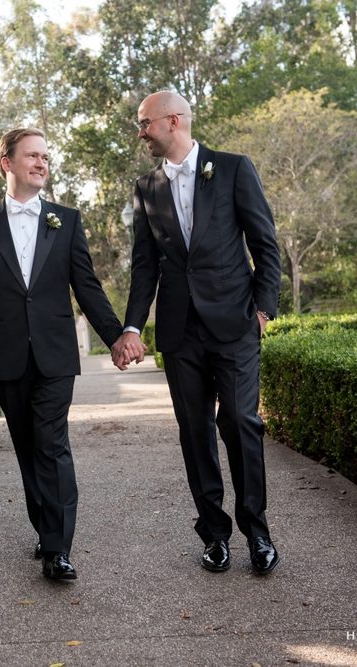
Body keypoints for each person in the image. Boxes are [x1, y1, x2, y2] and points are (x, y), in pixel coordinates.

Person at [111, 91, 283, 575]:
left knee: (241, 424)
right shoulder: (147, 187)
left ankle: (258, 530)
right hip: (180, 332)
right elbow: (145, 267)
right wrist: (131, 326)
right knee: (195, 432)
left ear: (173, 120)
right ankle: (214, 533)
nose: (140, 132)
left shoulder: (232, 168)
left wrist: (263, 310)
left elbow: (265, 244)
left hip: (235, 325)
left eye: (145, 123)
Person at [0, 128, 124, 581]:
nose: (41, 162)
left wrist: (114, 336)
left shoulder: (65, 220)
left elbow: (86, 287)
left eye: (46, 156)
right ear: (6, 163)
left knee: (52, 445)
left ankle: (58, 548)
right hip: (4, 355)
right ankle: (45, 529)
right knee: (27, 449)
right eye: (32, 155)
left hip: (54, 355)